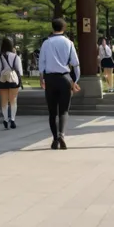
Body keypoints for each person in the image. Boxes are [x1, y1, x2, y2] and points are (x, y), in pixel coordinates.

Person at [38, 18, 81, 150]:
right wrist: (75, 81)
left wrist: (41, 79)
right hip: (65, 78)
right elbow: (75, 63)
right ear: (64, 28)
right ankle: (62, 135)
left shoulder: (46, 43)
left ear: (52, 28)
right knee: (64, 111)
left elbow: (41, 64)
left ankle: (55, 139)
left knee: (52, 112)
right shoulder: (69, 43)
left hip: (50, 79)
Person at [0, 37, 23, 129]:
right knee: (13, 100)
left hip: (3, 78)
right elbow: (19, 70)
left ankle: (6, 119)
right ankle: (13, 120)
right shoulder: (15, 56)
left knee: (4, 101)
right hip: (13, 79)